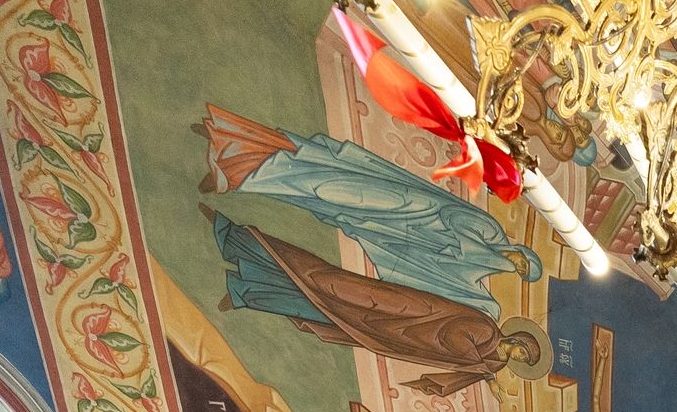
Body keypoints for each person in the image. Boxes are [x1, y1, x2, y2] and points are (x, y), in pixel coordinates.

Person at [200, 104, 541, 316]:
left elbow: (449, 282)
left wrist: (487, 307)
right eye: (523, 262)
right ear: (522, 253)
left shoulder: (482, 269)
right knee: (332, 186)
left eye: (521, 272)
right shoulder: (491, 234)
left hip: (390, 231)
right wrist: (484, 255)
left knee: (325, 205)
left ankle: (241, 176)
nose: (516, 266)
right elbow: (453, 219)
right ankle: (243, 156)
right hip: (406, 205)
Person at [209, 212, 548, 394]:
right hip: (396, 311)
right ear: (517, 341)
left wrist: (485, 373)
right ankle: (241, 240)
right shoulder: (486, 330)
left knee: (327, 318)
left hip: (392, 336)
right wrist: (485, 374)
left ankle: (246, 290)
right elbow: (452, 337)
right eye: (523, 352)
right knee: (328, 285)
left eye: (524, 360)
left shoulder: (493, 364)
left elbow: (458, 365)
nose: (519, 357)